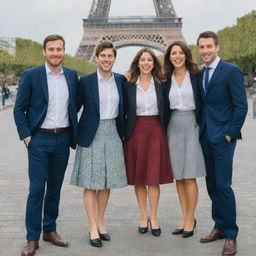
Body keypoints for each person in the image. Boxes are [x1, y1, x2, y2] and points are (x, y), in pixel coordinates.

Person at [13, 34, 78, 256]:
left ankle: (49, 230)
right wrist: (27, 136)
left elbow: (77, 104)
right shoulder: (32, 75)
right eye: (51, 49)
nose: (55, 53)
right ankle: (32, 238)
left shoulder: (71, 75)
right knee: (37, 189)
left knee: (55, 189)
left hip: (63, 139)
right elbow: (18, 108)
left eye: (59, 49)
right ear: (44, 51)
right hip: (39, 139)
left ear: (64, 51)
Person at [70, 41, 127, 248]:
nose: (106, 59)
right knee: (90, 182)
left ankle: (101, 222)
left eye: (109, 56)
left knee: (106, 181)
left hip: (113, 133)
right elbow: (73, 109)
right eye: (102, 56)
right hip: (90, 134)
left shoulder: (121, 80)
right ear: (96, 57)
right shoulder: (84, 81)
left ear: (114, 58)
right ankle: (92, 226)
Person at [197, 31, 248, 256]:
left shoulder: (231, 71)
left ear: (217, 47)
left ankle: (231, 235)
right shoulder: (199, 74)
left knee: (223, 186)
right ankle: (219, 226)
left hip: (223, 138)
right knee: (212, 185)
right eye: (202, 47)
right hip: (206, 136)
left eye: (209, 46)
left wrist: (230, 133)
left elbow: (241, 106)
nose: (205, 51)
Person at [123, 48, 173, 237]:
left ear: (154, 63)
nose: (145, 63)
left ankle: (154, 217)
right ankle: (143, 216)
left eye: (149, 60)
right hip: (135, 132)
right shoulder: (127, 83)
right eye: (142, 60)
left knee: (153, 178)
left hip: (155, 131)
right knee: (139, 178)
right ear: (137, 62)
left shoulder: (162, 83)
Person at [163, 41, 206, 238]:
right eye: (174, 53)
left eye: (181, 53)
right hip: (173, 126)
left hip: (192, 126)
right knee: (179, 177)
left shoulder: (197, 76)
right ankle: (185, 218)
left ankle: (190, 219)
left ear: (186, 55)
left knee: (190, 176)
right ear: (169, 57)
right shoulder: (165, 79)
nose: (177, 56)